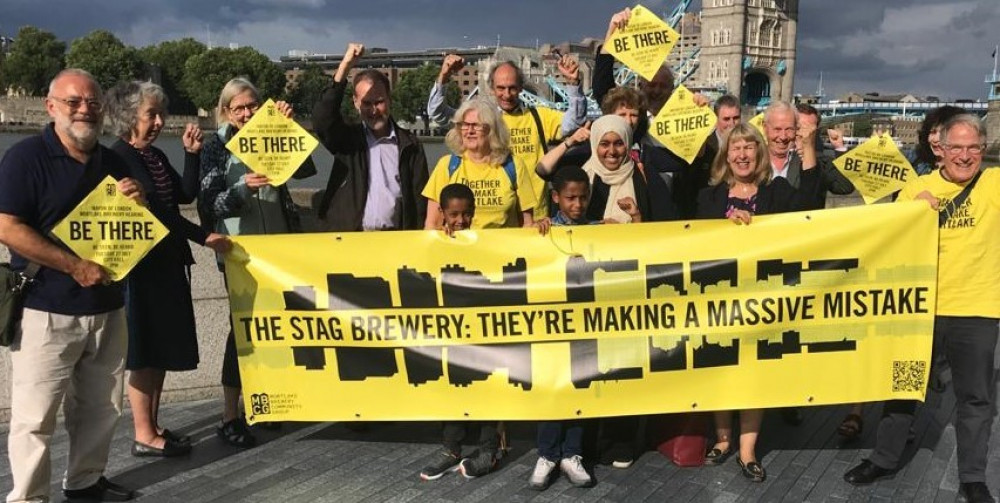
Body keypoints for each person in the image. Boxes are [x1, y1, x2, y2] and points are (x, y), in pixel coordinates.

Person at [0, 69, 143, 502]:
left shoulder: (113, 161)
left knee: (101, 407)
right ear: (51, 107)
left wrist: (137, 197)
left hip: (106, 305)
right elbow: (7, 227)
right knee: (34, 417)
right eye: (74, 102)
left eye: (93, 103)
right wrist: (73, 265)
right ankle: (28, 497)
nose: (85, 110)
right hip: (46, 309)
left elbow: (133, 223)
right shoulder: (25, 158)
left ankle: (83, 482)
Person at [844, 115, 998, 503]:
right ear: (940, 150)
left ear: (983, 150)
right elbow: (885, 234)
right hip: (919, 309)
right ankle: (883, 458)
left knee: (975, 399)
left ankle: (973, 477)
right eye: (957, 148)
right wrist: (910, 210)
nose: (965, 156)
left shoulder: (995, 183)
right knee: (902, 387)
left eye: (973, 148)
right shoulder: (917, 186)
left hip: (976, 309)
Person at [104, 81, 231, 458]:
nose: (159, 121)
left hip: (166, 264)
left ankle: (153, 426)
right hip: (140, 270)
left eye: (160, 113)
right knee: (144, 352)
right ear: (129, 117)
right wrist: (202, 236)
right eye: (151, 114)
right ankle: (144, 433)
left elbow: (182, 197)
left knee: (158, 349)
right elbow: (155, 214)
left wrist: (191, 154)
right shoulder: (116, 158)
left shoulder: (154, 156)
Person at [696, 123, 821, 483]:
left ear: (760, 153)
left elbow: (812, 206)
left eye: (750, 147)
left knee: (755, 374)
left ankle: (747, 450)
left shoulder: (776, 192)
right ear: (726, 155)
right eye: (735, 147)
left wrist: (808, 148)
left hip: (763, 302)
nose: (742, 154)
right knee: (719, 369)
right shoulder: (709, 198)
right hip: (718, 300)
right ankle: (722, 439)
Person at [199, 77, 316, 448]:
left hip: (278, 249)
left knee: (277, 328)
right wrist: (241, 189)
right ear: (226, 111)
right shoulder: (215, 146)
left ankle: (270, 404)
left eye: (252, 106)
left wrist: (288, 127)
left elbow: (306, 170)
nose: (247, 114)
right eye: (239, 108)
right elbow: (208, 205)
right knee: (243, 333)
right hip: (239, 254)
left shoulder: (271, 130)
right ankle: (229, 415)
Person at [427, 53, 586, 219]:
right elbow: (437, 114)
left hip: (534, 217)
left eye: (512, 88)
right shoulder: (482, 119)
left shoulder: (539, 117)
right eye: (501, 88)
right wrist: (444, 77)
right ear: (491, 89)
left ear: (521, 88)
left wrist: (573, 83)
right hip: (495, 217)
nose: (507, 94)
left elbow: (574, 122)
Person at [593, 7, 713, 219]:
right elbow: (603, 89)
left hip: (675, 210)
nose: (656, 90)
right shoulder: (633, 121)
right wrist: (612, 31)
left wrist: (701, 116)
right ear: (640, 85)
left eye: (662, 86)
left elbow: (696, 159)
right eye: (651, 85)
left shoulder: (682, 118)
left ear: (672, 89)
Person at [312, 42, 429, 232]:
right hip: (351, 239)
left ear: (389, 100)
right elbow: (322, 119)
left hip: (395, 239)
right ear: (356, 103)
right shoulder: (347, 140)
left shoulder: (410, 145)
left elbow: (420, 198)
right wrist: (345, 66)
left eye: (379, 102)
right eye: (366, 103)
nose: (373, 110)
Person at [527, 166, 595, 491]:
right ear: (555, 197)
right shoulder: (545, 229)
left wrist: (630, 223)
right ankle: (547, 453)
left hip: (584, 323)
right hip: (551, 324)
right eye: (570, 198)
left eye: (583, 198)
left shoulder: (596, 229)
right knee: (552, 386)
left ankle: (573, 453)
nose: (577, 205)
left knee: (579, 384)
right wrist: (536, 231)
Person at [422, 98, 538, 230]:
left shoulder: (514, 165)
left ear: (492, 129)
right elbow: (431, 224)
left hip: (502, 249)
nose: (469, 131)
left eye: (476, 125)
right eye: (465, 125)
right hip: (459, 249)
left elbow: (527, 224)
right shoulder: (447, 166)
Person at [763, 101, 854, 210]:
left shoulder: (820, 161)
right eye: (799, 127)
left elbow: (846, 187)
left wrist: (839, 147)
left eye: (810, 129)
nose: (804, 133)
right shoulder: (754, 158)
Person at [908, 105, 967, 175]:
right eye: (933, 132)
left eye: (943, 133)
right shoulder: (915, 159)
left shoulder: (969, 170)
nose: (936, 139)